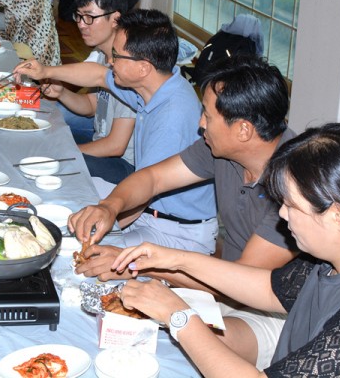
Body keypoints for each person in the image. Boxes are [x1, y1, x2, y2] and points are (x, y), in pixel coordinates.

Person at [111, 123, 340, 378]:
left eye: (291, 205)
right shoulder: (337, 258)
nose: (282, 214)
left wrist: (178, 316)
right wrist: (176, 260)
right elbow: (269, 289)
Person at [73, 56, 299, 369]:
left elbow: (237, 284)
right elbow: (153, 178)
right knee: (127, 316)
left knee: (189, 341)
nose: (200, 123)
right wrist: (109, 206)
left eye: (207, 114)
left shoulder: (295, 188)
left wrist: (137, 265)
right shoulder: (220, 148)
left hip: (273, 312)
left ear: (244, 130)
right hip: (219, 291)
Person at [16, 9, 217, 254]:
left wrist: (96, 233)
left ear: (143, 67)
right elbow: (99, 75)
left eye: (117, 56)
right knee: (66, 199)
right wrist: (45, 71)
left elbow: (144, 193)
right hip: (151, 214)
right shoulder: (157, 84)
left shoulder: (172, 117)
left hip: (176, 231)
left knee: (74, 251)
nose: (110, 62)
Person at [46, 0, 138, 182]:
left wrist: (69, 152)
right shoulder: (100, 55)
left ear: (115, 18)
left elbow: (116, 145)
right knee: (49, 138)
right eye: (79, 16)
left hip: (125, 165)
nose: (81, 24)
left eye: (89, 17)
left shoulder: (127, 65)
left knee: (57, 160)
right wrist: (61, 92)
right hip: (103, 144)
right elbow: (91, 105)